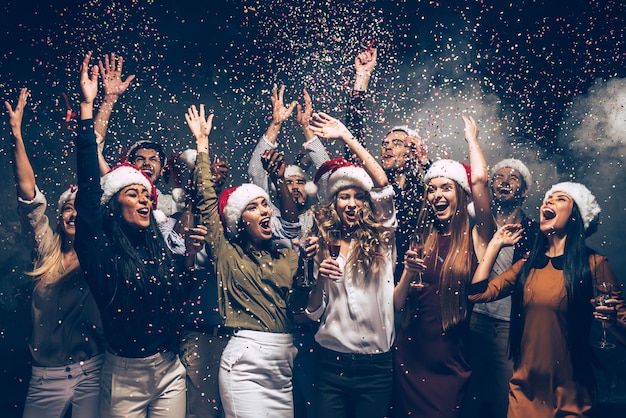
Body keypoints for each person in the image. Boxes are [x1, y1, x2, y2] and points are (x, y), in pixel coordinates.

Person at [75, 52, 198, 418]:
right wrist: (92, 106)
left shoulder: (158, 244)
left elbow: (179, 295)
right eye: (134, 193)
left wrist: (189, 257)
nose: (145, 199)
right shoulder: (99, 249)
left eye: (147, 194)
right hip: (123, 376)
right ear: (114, 204)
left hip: (169, 369)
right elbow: (88, 180)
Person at [185, 103, 317, 418]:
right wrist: (202, 146)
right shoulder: (227, 253)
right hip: (245, 360)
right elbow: (205, 199)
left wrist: (307, 271)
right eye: (254, 207)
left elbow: (299, 309)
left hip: (282, 361)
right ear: (238, 220)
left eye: (265, 205)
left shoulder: (288, 254)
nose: (265, 211)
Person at [469, 181, 622, 417]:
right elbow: (477, 294)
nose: (548, 201)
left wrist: (611, 322)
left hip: (571, 394)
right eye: (548, 198)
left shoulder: (595, 265)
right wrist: (495, 245)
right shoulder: (527, 264)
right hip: (524, 392)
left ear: (576, 216)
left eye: (561, 199)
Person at [7, 87, 105, 418]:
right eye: (68, 209)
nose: (74, 214)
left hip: (91, 371)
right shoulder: (46, 248)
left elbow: (93, 176)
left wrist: (95, 107)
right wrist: (17, 136)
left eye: (80, 209)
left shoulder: (98, 253)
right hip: (44, 376)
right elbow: (29, 195)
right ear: (61, 218)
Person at [392, 115, 496, 418]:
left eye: (446, 188)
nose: (437, 195)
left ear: (460, 195)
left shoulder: (477, 236)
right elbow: (397, 304)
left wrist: (472, 140)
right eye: (432, 189)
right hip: (410, 355)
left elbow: (480, 181)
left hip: (451, 359)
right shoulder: (422, 238)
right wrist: (408, 273)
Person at [305, 112, 396, 418]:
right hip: (332, 364)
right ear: (335, 203)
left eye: (359, 196)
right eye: (344, 196)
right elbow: (314, 312)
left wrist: (346, 136)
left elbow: (382, 185)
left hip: (377, 367)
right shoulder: (323, 245)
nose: (352, 203)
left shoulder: (383, 239)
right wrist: (320, 277)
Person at [461, 159, 539, 418]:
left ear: (524, 190)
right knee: (469, 397)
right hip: (474, 320)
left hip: (510, 325)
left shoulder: (535, 232)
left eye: (513, 177)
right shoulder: (479, 223)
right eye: (499, 177)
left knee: (503, 400)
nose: (504, 181)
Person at [345, 47, 430, 282]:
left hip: (414, 278)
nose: (387, 147)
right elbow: (353, 142)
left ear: (411, 150)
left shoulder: (421, 188)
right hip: (373, 273)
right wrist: (361, 79)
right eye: (384, 143)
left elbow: (442, 192)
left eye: (397, 143)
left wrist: (425, 162)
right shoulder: (374, 183)